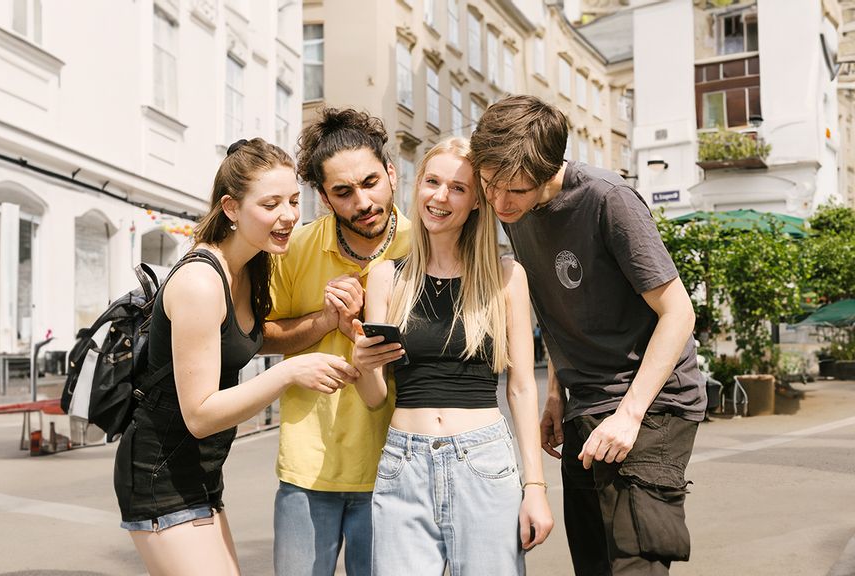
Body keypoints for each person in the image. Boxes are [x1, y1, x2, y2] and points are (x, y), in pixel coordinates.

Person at [470, 94, 707, 575]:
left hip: (652, 402)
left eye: (512, 189)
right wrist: (555, 395)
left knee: (633, 565)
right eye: (489, 185)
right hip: (586, 403)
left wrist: (629, 414)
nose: (498, 201)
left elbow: (679, 313)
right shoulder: (515, 209)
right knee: (593, 565)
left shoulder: (607, 198)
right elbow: (560, 308)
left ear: (548, 168)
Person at [113, 138, 359, 576]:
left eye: (292, 200)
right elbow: (200, 414)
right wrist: (289, 375)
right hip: (160, 475)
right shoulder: (200, 283)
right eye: (270, 204)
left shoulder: (251, 265)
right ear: (231, 207)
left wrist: (325, 322)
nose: (287, 216)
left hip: (201, 473)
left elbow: (252, 337)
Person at [350, 137, 553, 575]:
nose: (440, 197)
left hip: (484, 463)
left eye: (458, 188)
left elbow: (520, 388)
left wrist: (534, 485)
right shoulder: (386, 276)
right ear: (417, 186)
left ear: (476, 202)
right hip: (403, 466)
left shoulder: (505, 276)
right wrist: (363, 364)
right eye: (432, 182)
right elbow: (373, 396)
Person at [261, 108, 411, 576]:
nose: (362, 202)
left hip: (400, 465)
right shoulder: (296, 248)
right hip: (309, 465)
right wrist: (325, 320)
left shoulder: (426, 242)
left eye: (370, 182)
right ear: (324, 197)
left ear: (391, 173)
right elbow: (261, 337)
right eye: (343, 193)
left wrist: (369, 320)